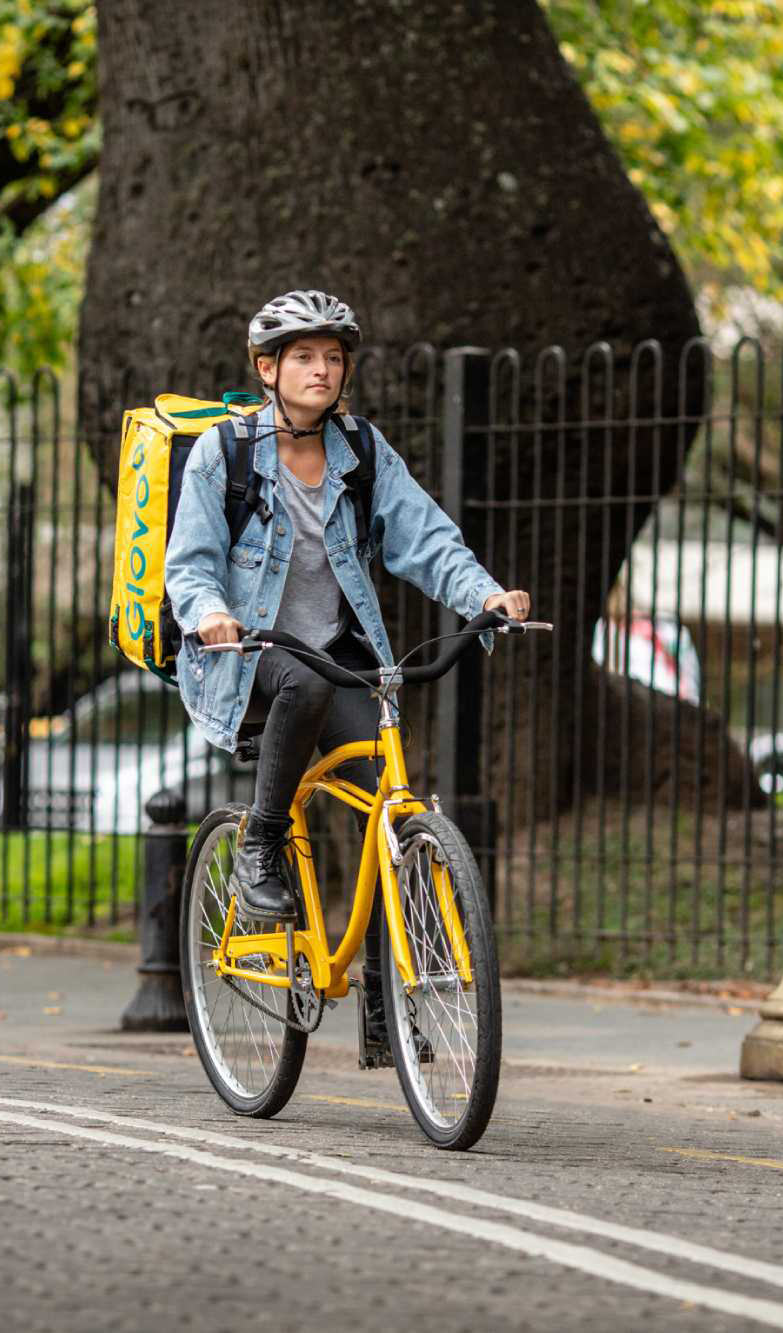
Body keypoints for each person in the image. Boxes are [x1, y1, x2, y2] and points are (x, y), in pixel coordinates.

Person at [165, 289, 530, 1048]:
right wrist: (209, 613)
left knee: (385, 808)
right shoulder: (223, 454)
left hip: (340, 652)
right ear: (266, 368)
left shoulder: (362, 451)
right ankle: (261, 842)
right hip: (249, 657)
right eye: (303, 356)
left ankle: (381, 1010)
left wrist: (486, 594)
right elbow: (190, 564)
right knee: (301, 683)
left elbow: (426, 538)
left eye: (333, 357)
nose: (321, 370)